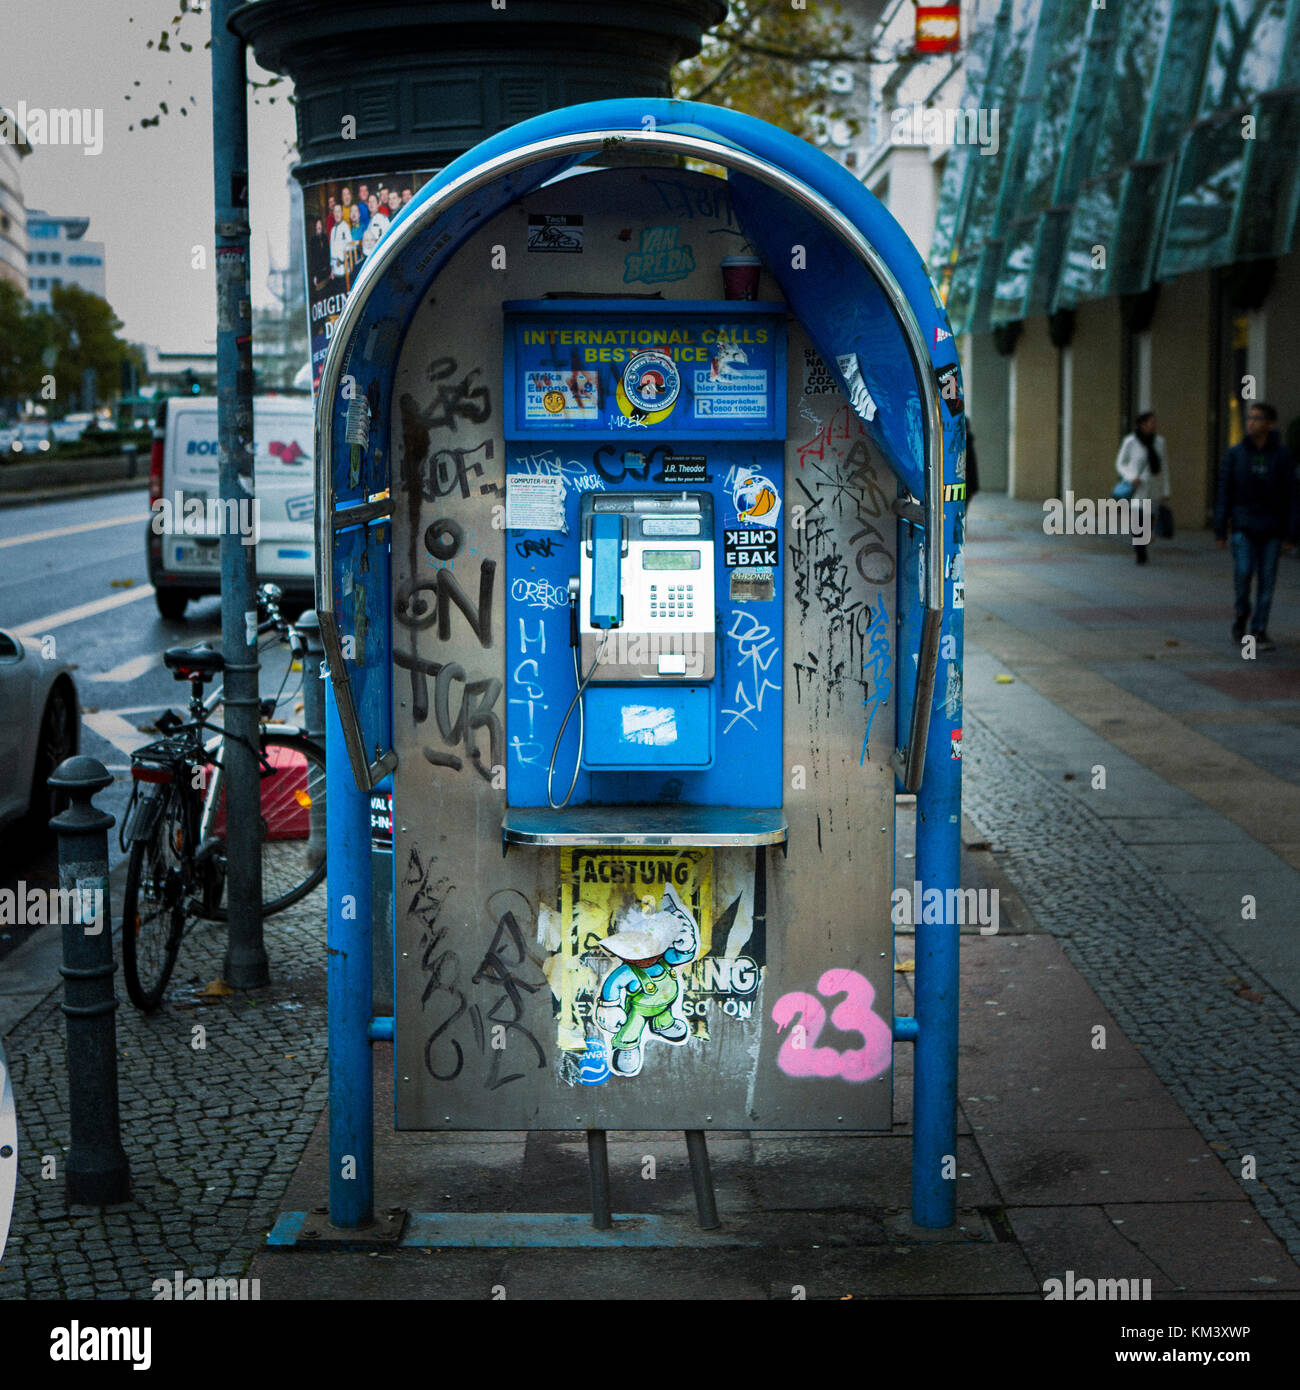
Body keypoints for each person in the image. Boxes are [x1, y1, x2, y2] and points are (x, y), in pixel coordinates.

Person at [1214, 401, 1298, 651]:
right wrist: (1220, 527)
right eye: (1249, 418)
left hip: (1272, 528)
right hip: (1244, 527)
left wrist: (1292, 532)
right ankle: (1242, 615)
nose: (1251, 422)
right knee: (1243, 573)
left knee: (1267, 580)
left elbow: (1293, 496)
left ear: (1270, 424)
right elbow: (1224, 492)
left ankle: (1259, 628)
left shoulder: (1282, 457)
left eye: (1257, 418)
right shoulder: (1235, 454)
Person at [1114, 411, 1169, 565]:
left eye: (1154, 422)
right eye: (1151, 422)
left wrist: (1166, 491)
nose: (1154, 425)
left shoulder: (1160, 442)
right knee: (1138, 521)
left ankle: (1142, 545)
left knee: (1149, 522)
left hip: (1153, 488)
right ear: (1142, 424)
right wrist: (1131, 477)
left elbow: (1164, 468)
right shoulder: (1130, 442)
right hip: (1137, 488)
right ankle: (1140, 553)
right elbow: (1120, 463)